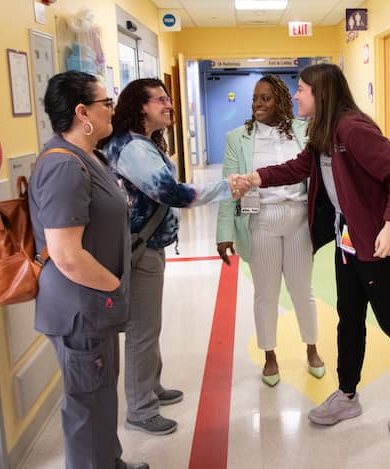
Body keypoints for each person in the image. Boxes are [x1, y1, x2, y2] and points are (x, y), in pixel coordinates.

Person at [245, 63, 390, 433]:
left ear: (321, 93)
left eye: (302, 90)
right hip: (348, 239)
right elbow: (300, 167)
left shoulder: (353, 129)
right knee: (349, 318)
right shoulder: (323, 131)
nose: (296, 95)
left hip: (378, 243)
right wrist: (257, 177)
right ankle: (347, 395)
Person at [102, 78, 249, 436]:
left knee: (148, 326)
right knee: (142, 329)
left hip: (147, 246)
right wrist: (225, 186)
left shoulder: (141, 143)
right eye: (161, 100)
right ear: (141, 107)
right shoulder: (134, 148)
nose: (169, 105)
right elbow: (172, 193)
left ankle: (150, 386)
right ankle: (140, 409)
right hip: (140, 251)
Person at [28, 71, 147, 469]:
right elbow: (66, 254)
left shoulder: (88, 156)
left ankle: (110, 461)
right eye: (106, 103)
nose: (113, 110)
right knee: (85, 404)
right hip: (81, 306)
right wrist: (115, 286)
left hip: (94, 303)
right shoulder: (64, 166)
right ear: (83, 112)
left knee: (99, 395)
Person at [216, 74, 325, 387]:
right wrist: (224, 232)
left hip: (299, 220)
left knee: (303, 291)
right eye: (255, 98)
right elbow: (230, 187)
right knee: (266, 294)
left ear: (281, 98)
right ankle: (270, 355)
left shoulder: (305, 131)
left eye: (265, 98)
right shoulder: (238, 138)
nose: (258, 104)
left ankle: (312, 348)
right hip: (260, 220)